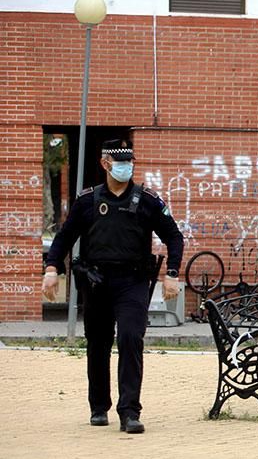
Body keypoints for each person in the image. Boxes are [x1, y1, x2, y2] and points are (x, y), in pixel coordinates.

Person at [41, 139, 184, 434]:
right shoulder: (88, 201)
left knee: (131, 338)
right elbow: (64, 237)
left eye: (129, 162)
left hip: (132, 282)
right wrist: (52, 268)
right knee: (98, 344)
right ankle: (98, 407)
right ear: (106, 164)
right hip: (97, 283)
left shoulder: (146, 200)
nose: (126, 167)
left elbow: (174, 236)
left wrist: (172, 273)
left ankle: (130, 411)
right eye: (120, 163)